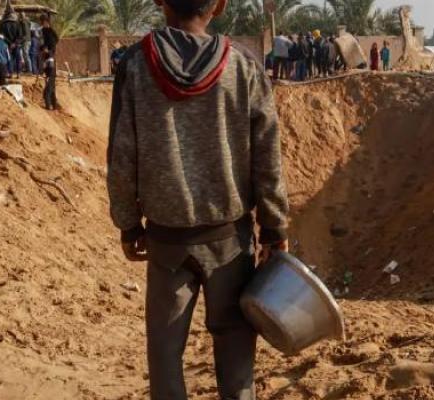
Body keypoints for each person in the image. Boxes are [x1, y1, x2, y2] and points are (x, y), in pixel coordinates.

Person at [107, 0, 290, 399]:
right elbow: (268, 156)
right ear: (219, 5)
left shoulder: (135, 65)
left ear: (160, 1)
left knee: (165, 354)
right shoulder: (243, 65)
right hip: (230, 242)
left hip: (165, 242)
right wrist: (274, 227)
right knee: (236, 354)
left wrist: (128, 224)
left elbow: (121, 155)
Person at [0, 11, 21, 78]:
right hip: (16, 44)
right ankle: (18, 73)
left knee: (8, 58)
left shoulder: (3, 24)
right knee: (17, 59)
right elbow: (20, 36)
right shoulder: (17, 24)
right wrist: (15, 43)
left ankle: (10, 73)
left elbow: (1, 35)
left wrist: (10, 43)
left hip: (7, 44)